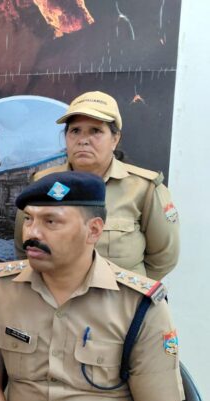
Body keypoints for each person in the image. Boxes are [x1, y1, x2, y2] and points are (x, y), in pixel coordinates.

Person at [0, 171, 183, 401]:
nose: (31, 233)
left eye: (50, 222)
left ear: (93, 231)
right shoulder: (0, 289)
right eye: (28, 219)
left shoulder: (140, 305)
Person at [14, 91, 179, 280]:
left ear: (115, 139)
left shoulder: (144, 188)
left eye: (95, 131)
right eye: (75, 131)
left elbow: (164, 258)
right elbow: (24, 246)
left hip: (117, 297)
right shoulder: (43, 183)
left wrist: (126, 291)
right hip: (55, 296)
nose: (83, 140)